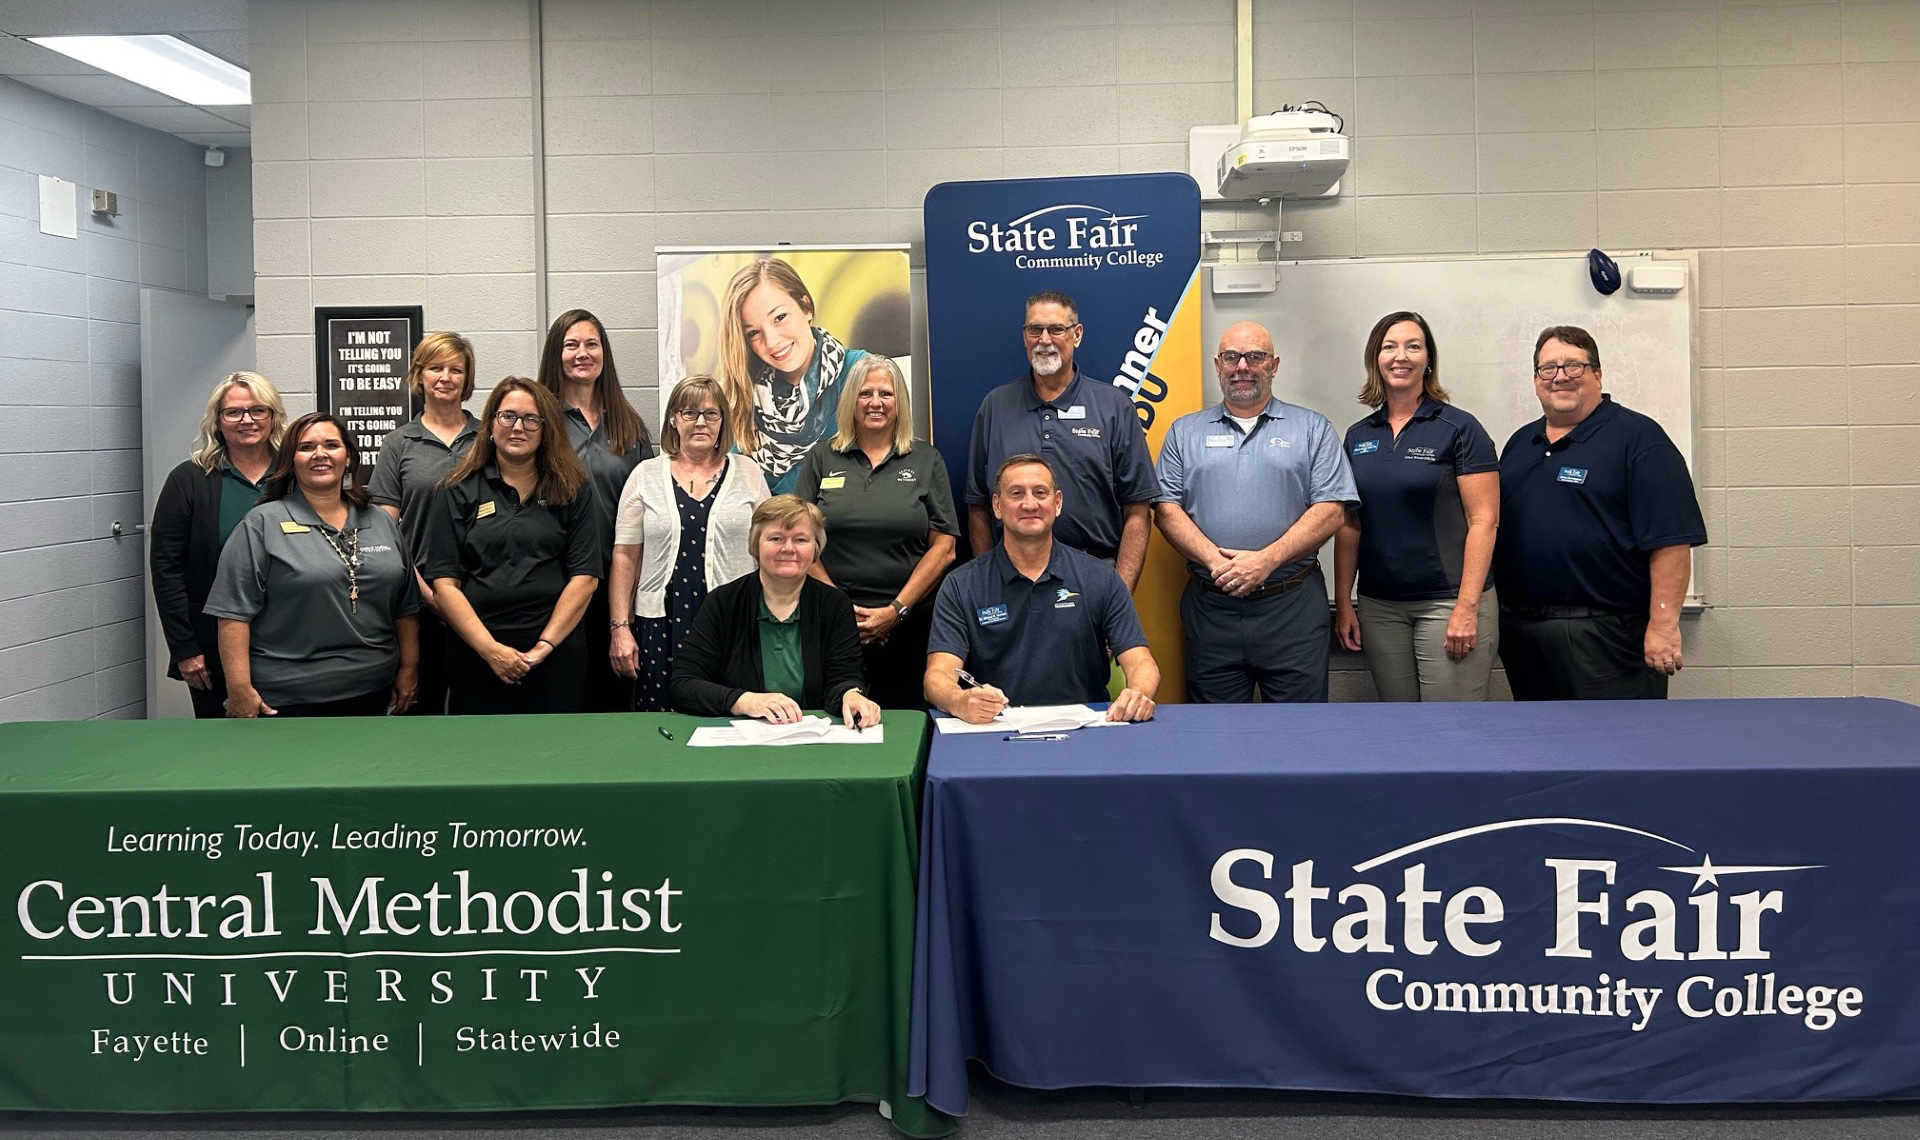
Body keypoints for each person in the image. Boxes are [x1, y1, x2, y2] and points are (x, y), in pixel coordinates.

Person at [1495, 325, 1707, 700]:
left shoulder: (1640, 440)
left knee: (1618, 750)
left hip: (1607, 637)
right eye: (1549, 369)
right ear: (1535, 380)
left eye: (1573, 366)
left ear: (1597, 374)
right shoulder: (1519, 444)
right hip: (1523, 633)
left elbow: (1671, 543)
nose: (1560, 377)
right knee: (1543, 750)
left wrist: (1663, 624)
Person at [1153, 321, 1359, 703]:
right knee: (1217, 737)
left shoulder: (1312, 429)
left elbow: (1331, 510)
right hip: (1211, 609)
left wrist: (1265, 561)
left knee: (1301, 736)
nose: (1242, 366)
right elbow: (1165, 510)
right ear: (1217, 365)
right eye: (1231, 357)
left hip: (1291, 606)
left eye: (1255, 356)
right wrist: (1218, 563)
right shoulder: (1185, 432)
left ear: (1274, 365)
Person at [204, 413, 419, 718]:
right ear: (291, 461)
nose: (320, 454)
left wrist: (409, 669)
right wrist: (239, 689)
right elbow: (232, 614)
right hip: (288, 697)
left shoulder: (379, 520)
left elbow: (405, 607)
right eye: (306, 447)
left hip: (374, 690)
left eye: (331, 445)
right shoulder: (262, 523)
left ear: (347, 457)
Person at [1333, 312, 1501, 702]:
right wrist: (1345, 603)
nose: (1400, 356)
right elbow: (1348, 525)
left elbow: (1484, 521)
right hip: (1379, 608)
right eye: (1389, 346)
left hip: (1447, 603)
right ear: (1376, 358)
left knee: (1449, 730)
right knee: (1402, 728)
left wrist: (1467, 608)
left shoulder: (1459, 428)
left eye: (1413, 346)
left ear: (1428, 359)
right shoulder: (1358, 436)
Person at [926, 454, 1159, 724]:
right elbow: (936, 676)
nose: (1029, 504)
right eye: (1016, 493)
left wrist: (1139, 693)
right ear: (997, 506)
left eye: (1040, 492)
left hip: (1085, 732)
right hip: (996, 731)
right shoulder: (960, 585)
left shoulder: (1101, 578)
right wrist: (959, 700)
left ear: (1057, 503)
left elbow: (1143, 663)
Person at [424, 377, 604, 715]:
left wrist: (543, 648)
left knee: (553, 756)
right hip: (476, 654)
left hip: (555, 655)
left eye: (531, 419)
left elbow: (585, 577)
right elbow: (444, 584)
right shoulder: (456, 490)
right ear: (491, 423)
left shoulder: (573, 489)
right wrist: (491, 651)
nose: (518, 427)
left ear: (546, 427)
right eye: (507, 416)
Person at [792, 355, 958, 709]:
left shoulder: (925, 459)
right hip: (832, 620)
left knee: (905, 722)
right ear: (850, 400)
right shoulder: (822, 458)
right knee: (833, 720)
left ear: (900, 403)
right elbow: (798, 540)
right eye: (865, 393)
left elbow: (944, 546)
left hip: (910, 622)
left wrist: (895, 611)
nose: (876, 403)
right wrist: (842, 609)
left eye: (886, 394)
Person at [964, 291, 1159, 587]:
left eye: (1056, 329)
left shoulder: (1114, 407)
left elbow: (1139, 512)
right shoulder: (995, 406)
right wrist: (988, 584)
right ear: (1024, 336)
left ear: (1076, 335)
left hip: (1094, 574)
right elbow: (978, 505)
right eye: (1034, 329)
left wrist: (1119, 594)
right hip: (1011, 579)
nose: (1044, 339)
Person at [609, 375, 771, 711]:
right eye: (689, 413)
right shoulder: (644, 475)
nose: (700, 422)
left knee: (731, 713)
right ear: (672, 419)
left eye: (711, 414)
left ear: (723, 421)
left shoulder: (749, 473)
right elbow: (625, 557)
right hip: (660, 623)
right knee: (662, 720)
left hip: (733, 621)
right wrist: (620, 628)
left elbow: (769, 550)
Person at [668, 496, 881, 729]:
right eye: (776, 538)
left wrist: (851, 694)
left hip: (812, 741)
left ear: (816, 548)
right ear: (755, 544)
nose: (788, 548)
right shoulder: (723, 602)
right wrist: (745, 701)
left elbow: (844, 676)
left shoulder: (834, 604)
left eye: (801, 539)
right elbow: (683, 684)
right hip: (738, 741)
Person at [149, 371, 287, 718]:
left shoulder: (293, 476)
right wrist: (184, 647)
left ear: (273, 417)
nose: (247, 420)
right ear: (218, 421)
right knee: (227, 749)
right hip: (213, 646)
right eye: (234, 412)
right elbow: (166, 568)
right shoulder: (189, 480)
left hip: (292, 643)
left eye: (258, 410)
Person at [538, 308, 655, 712]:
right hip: (555, 580)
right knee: (561, 694)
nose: (582, 353)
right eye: (571, 345)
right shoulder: (539, 421)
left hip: (616, 583)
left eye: (592, 344)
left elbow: (648, 506)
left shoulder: (628, 424)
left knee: (612, 695)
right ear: (556, 354)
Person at [368, 331, 480, 716]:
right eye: (436, 368)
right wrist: (427, 593)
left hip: (479, 592)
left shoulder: (489, 439)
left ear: (468, 379)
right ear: (419, 376)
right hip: (416, 597)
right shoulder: (398, 443)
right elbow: (384, 530)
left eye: (456, 369)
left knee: (478, 706)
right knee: (421, 706)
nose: (445, 377)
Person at [716, 257, 870, 496]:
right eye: (754, 333)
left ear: (806, 307)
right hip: (770, 530)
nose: (772, 341)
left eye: (779, 318)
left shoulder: (861, 373)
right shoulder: (740, 394)